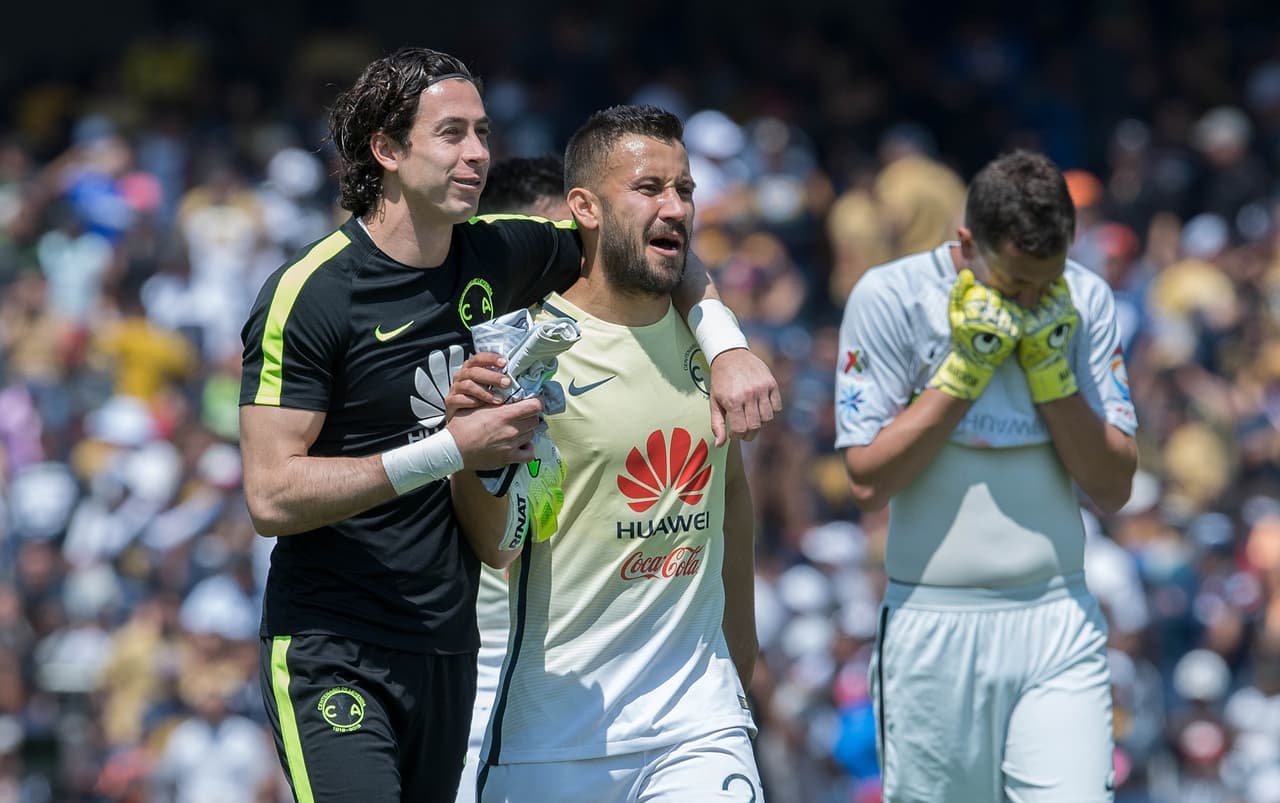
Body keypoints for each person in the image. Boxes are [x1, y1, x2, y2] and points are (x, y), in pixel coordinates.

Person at [237, 48, 778, 803]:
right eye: (452, 134)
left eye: (484, 132)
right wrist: (448, 449)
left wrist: (724, 343)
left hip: (452, 643)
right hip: (337, 641)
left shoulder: (501, 251)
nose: (480, 154)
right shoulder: (311, 294)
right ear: (387, 150)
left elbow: (645, 246)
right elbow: (270, 496)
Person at [448, 105, 763, 803]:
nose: (675, 207)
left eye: (684, 190)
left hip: (697, 722)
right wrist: (472, 454)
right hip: (552, 734)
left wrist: (742, 653)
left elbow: (730, 493)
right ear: (582, 208)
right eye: (650, 189)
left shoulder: (710, 336)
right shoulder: (528, 352)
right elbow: (500, 543)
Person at [834, 150, 1138, 802]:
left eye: (1045, 279)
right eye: (1014, 280)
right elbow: (867, 481)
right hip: (931, 625)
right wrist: (961, 375)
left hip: (1057, 617)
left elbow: (1113, 488)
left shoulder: (1083, 298)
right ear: (966, 242)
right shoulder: (889, 296)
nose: (1031, 299)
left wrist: (1052, 379)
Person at [454, 155, 572, 803]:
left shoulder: (589, 354)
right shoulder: (448, 367)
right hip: (469, 690)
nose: (556, 274)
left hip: (561, 688)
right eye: (541, 250)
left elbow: (541, 519)